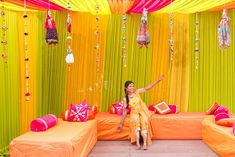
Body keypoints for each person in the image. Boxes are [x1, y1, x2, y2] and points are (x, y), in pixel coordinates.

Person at [117, 75, 164, 150]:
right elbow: (124, 112)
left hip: (142, 112)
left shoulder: (137, 92)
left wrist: (158, 81)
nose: (132, 87)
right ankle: (138, 144)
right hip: (134, 113)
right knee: (136, 124)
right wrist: (121, 124)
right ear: (126, 88)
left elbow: (147, 88)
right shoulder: (125, 99)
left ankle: (145, 143)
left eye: (133, 86)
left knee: (144, 123)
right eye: (130, 86)